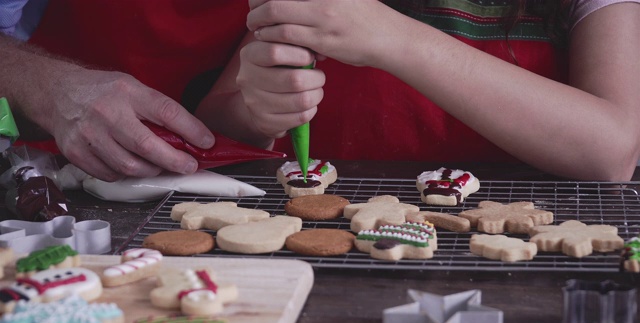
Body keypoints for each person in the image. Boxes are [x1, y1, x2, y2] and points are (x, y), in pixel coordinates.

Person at [195, 0, 640, 182]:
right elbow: (214, 129)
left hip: (529, 259)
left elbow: (612, 150)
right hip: (316, 254)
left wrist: (394, 38)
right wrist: (256, 116)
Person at [0, 0, 249, 181]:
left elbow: (240, 113)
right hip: (50, 175)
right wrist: (51, 91)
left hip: (235, 174)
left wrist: (256, 114)